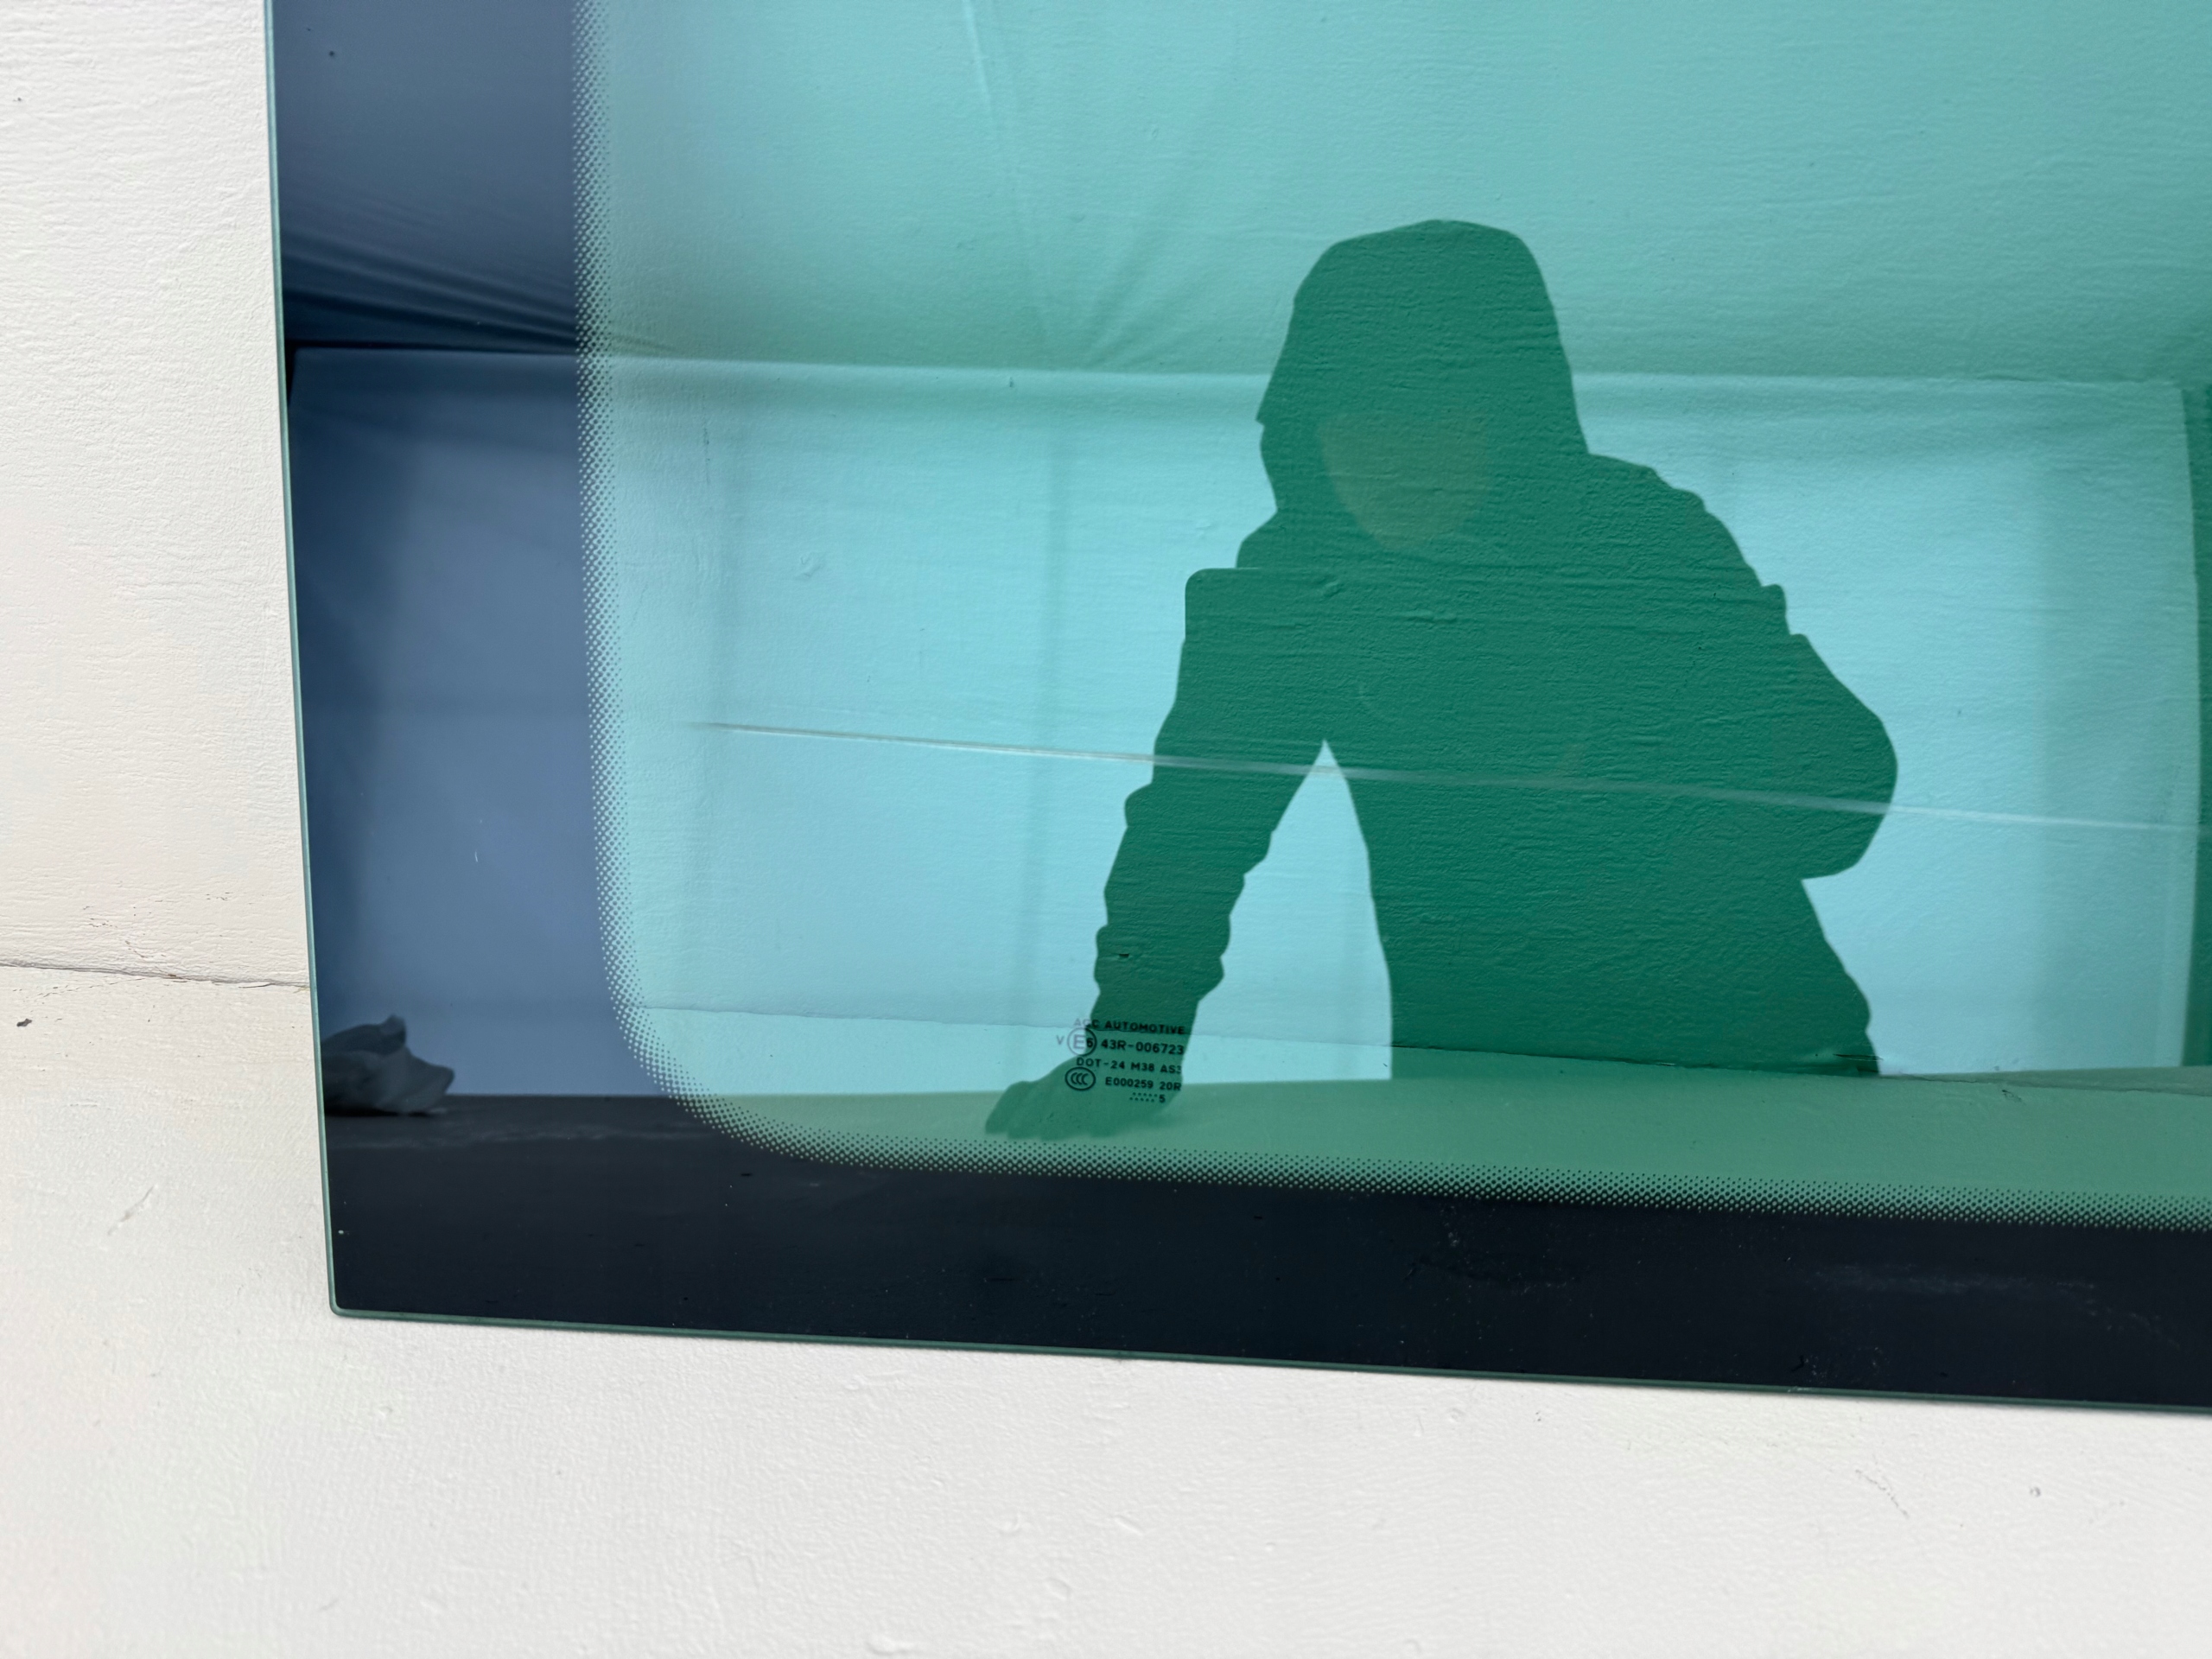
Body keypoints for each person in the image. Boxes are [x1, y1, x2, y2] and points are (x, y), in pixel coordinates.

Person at [990, 220, 1894, 1138]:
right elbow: (1192, 833)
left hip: (1764, 1058)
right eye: (1356, 423)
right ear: (1306, 430)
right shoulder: (1293, 584)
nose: (1395, 464)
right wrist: (1130, 1052)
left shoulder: (1641, 539)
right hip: (1482, 1079)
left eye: (1436, 421)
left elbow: (1841, 802)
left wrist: (1598, 734)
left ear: (1512, 420)